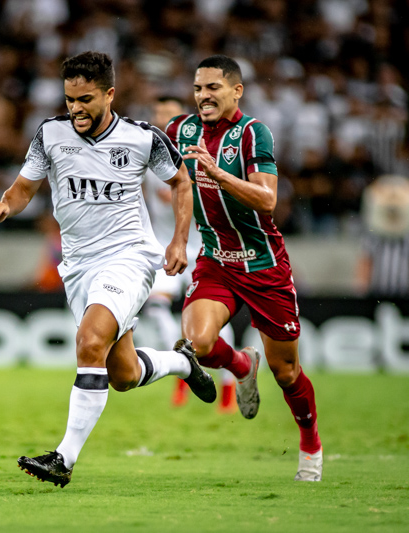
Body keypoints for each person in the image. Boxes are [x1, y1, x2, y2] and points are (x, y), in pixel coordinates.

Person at [0, 51, 216, 488]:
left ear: (110, 94)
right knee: (122, 375)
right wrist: (3, 206)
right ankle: (183, 363)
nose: (75, 108)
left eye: (85, 99)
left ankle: (63, 459)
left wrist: (179, 240)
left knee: (89, 341)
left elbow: (181, 181)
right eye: (69, 99)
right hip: (78, 266)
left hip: (128, 257)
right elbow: (23, 189)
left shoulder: (141, 138)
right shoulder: (50, 134)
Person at [165, 55, 323, 481]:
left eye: (213, 88)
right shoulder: (182, 130)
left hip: (263, 265)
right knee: (195, 342)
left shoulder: (253, 134)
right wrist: (180, 238)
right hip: (216, 259)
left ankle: (310, 442)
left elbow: (267, 200)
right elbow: (181, 187)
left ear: (236, 90)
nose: (203, 96)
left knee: (286, 373)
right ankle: (239, 365)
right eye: (198, 88)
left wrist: (218, 173)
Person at [144, 96, 237, 412]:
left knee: (212, 324)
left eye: (168, 115)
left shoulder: (199, 156)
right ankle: (183, 364)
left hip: (202, 250)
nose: (162, 121)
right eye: (158, 114)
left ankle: (228, 388)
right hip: (162, 247)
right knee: (156, 309)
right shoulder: (144, 153)